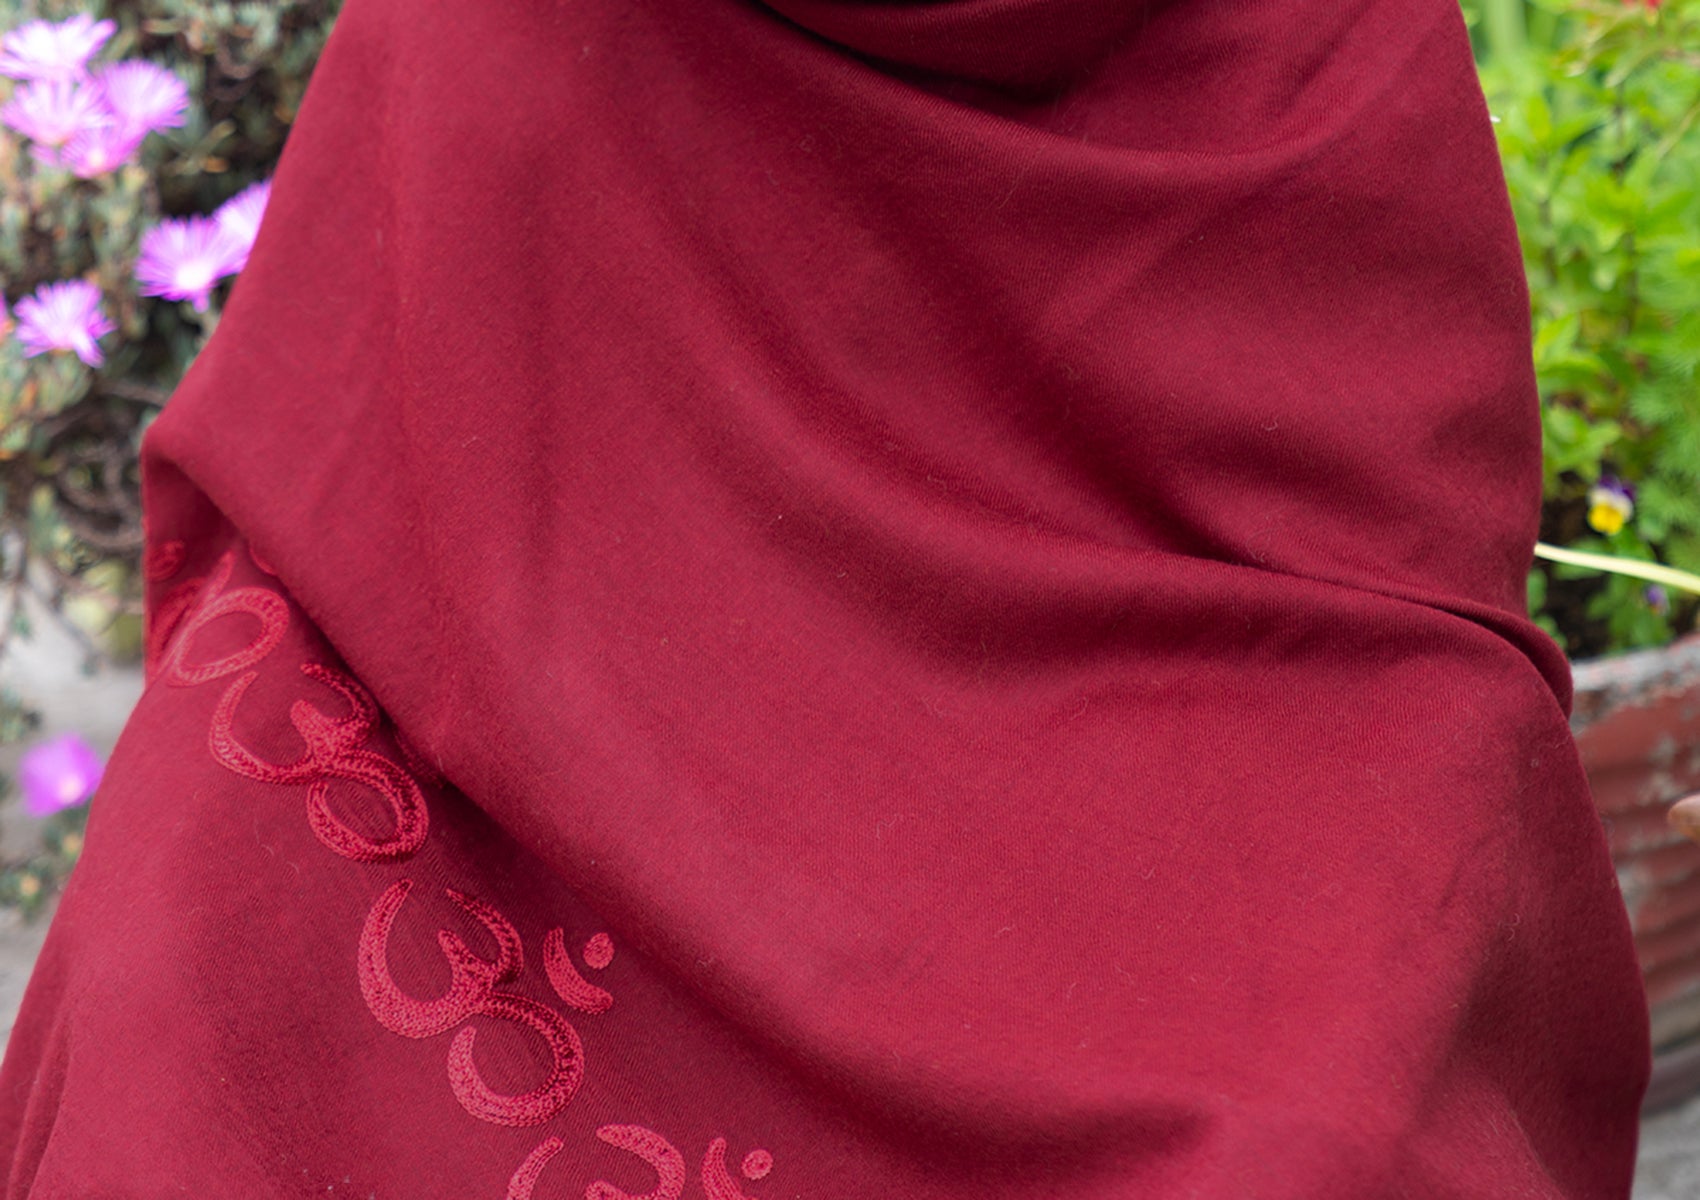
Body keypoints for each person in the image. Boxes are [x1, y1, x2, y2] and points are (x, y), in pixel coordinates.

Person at [0, 0, 1652, 1194]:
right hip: (535, 793)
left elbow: (1394, 635)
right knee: (186, 1016)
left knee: (1309, 1145)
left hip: (1184, 834)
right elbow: (358, 493)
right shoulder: (506, 31)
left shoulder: (1307, 43)